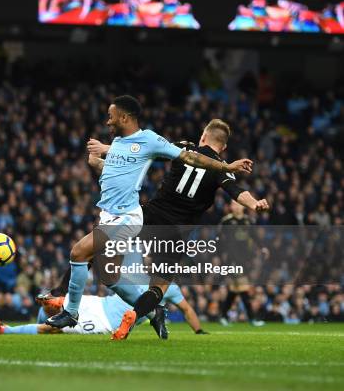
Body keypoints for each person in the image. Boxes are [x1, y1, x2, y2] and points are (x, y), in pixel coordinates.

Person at [45, 96, 253, 330]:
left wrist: (226, 167)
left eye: (110, 116)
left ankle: (67, 306)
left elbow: (187, 156)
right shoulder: (122, 143)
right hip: (159, 226)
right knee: (114, 278)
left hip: (138, 216)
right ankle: (154, 312)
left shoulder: (161, 142)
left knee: (81, 251)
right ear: (223, 146)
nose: (107, 122)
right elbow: (237, 192)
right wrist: (100, 159)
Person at [86, 118, 269, 340]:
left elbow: (147, 150)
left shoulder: (184, 148)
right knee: (159, 286)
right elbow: (237, 191)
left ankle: (66, 293)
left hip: (150, 215)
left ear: (203, 137)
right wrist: (255, 204)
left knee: (102, 242)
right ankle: (134, 315)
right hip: (177, 232)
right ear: (225, 147)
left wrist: (106, 148)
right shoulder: (221, 169)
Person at [0, 283, 207, 337]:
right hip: (98, 302)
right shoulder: (136, 269)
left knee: (53, 329)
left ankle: (5, 330)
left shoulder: (170, 287)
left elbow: (186, 309)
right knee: (56, 305)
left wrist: (198, 332)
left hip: (106, 321)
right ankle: (54, 301)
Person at [219, 201, 266, 327]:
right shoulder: (227, 221)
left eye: (238, 204)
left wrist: (262, 248)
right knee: (243, 287)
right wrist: (219, 256)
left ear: (242, 206)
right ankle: (252, 318)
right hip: (232, 259)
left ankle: (223, 316)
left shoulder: (248, 221)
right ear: (230, 207)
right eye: (233, 204)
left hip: (245, 259)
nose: (236, 206)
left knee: (235, 289)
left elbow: (255, 237)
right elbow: (219, 239)